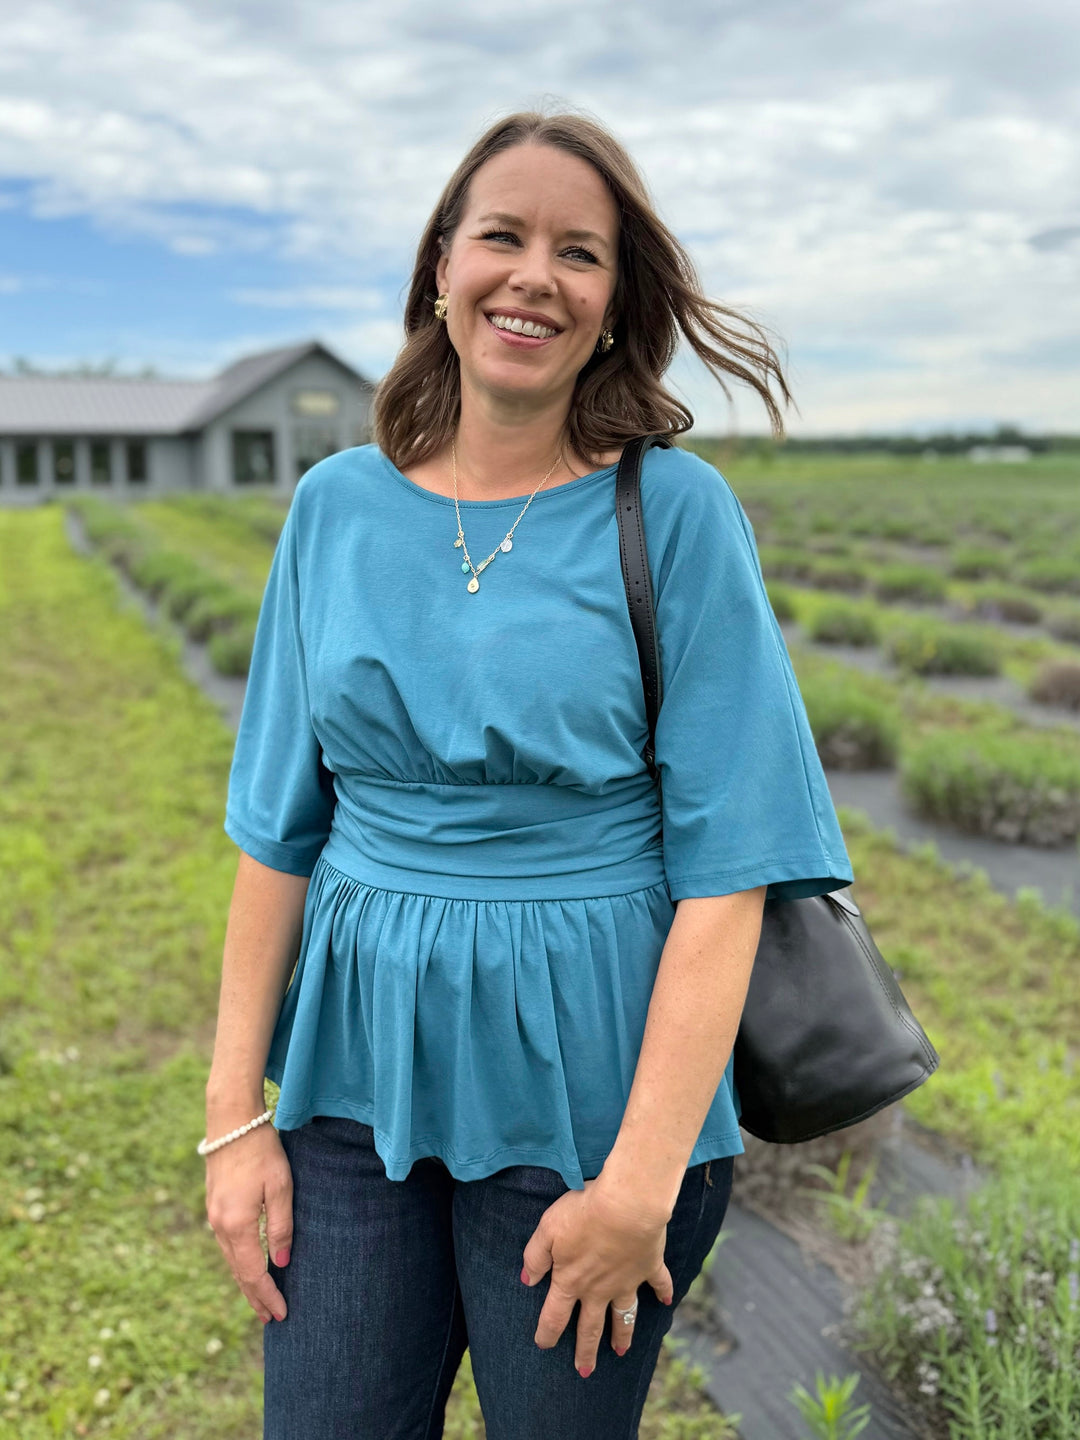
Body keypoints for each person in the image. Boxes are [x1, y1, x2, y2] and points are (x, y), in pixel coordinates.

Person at [202, 108, 855, 1439]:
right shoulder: (334, 508)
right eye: (501, 235)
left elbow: (730, 877)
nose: (533, 277)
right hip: (351, 1082)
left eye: (580, 252)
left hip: (593, 1096)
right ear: (441, 264)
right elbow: (277, 835)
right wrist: (231, 1120)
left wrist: (638, 1186)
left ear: (616, 303)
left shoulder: (672, 514)